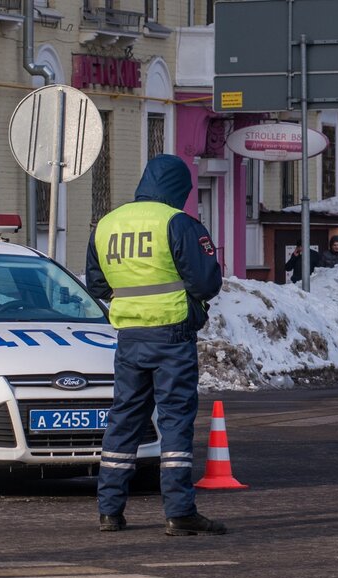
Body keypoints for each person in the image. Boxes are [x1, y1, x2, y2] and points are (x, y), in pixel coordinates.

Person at [85, 154, 226, 536]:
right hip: (173, 335)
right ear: (179, 188)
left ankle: (109, 512)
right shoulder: (177, 222)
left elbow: (97, 285)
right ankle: (179, 512)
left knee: (123, 419)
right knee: (175, 421)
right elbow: (206, 281)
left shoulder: (108, 225)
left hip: (130, 338)